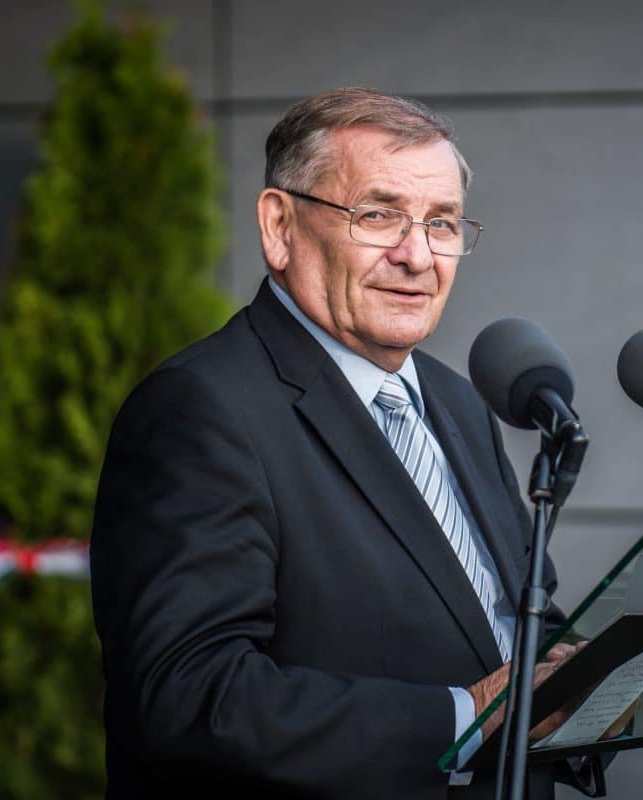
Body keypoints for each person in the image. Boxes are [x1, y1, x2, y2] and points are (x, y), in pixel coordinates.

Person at [90, 87, 604, 799]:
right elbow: (190, 696)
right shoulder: (200, 410)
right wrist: (465, 719)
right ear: (280, 226)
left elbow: (508, 627)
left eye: (442, 222)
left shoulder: (458, 402)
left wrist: (595, 679)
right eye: (378, 215)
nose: (417, 255)